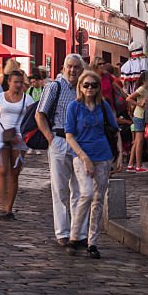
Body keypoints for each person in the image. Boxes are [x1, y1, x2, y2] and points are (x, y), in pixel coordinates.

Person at [65, 70, 122, 258]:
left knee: (98, 199)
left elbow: (115, 130)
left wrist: (119, 155)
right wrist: (84, 157)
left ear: (98, 88)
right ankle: (74, 236)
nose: (89, 88)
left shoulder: (103, 106)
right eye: (86, 85)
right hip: (82, 156)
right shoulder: (74, 107)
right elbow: (69, 136)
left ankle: (92, 242)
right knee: (86, 194)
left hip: (103, 155)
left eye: (94, 85)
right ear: (80, 86)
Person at [36, 53, 87, 246]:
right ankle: (62, 233)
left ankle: (78, 233)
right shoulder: (54, 87)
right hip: (59, 139)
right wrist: (50, 138)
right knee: (59, 189)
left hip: (80, 143)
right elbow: (40, 114)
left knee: (80, 189)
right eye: (70, 67)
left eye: (76, 67)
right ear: (64, 68)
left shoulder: (83, 88)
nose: (73, 70)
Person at [0, 68, 33, 219]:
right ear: (9, 82)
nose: (18, 85)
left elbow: (31, 120)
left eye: (21, 82)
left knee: (14, 174)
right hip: (2, 137)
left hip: (19, 139)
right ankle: (2, 205)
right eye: (16, 82)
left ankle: (9, 208)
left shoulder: (27, 99)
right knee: (2, 171)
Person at [125, 70, 148, 172]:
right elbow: (128, 99)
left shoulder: (146, 90)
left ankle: (130, 164)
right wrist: (140, 104)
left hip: (140, 116)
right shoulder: (141, 89)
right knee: (140, 141)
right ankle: (138, 166)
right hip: (139, 116)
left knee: (137, 141)